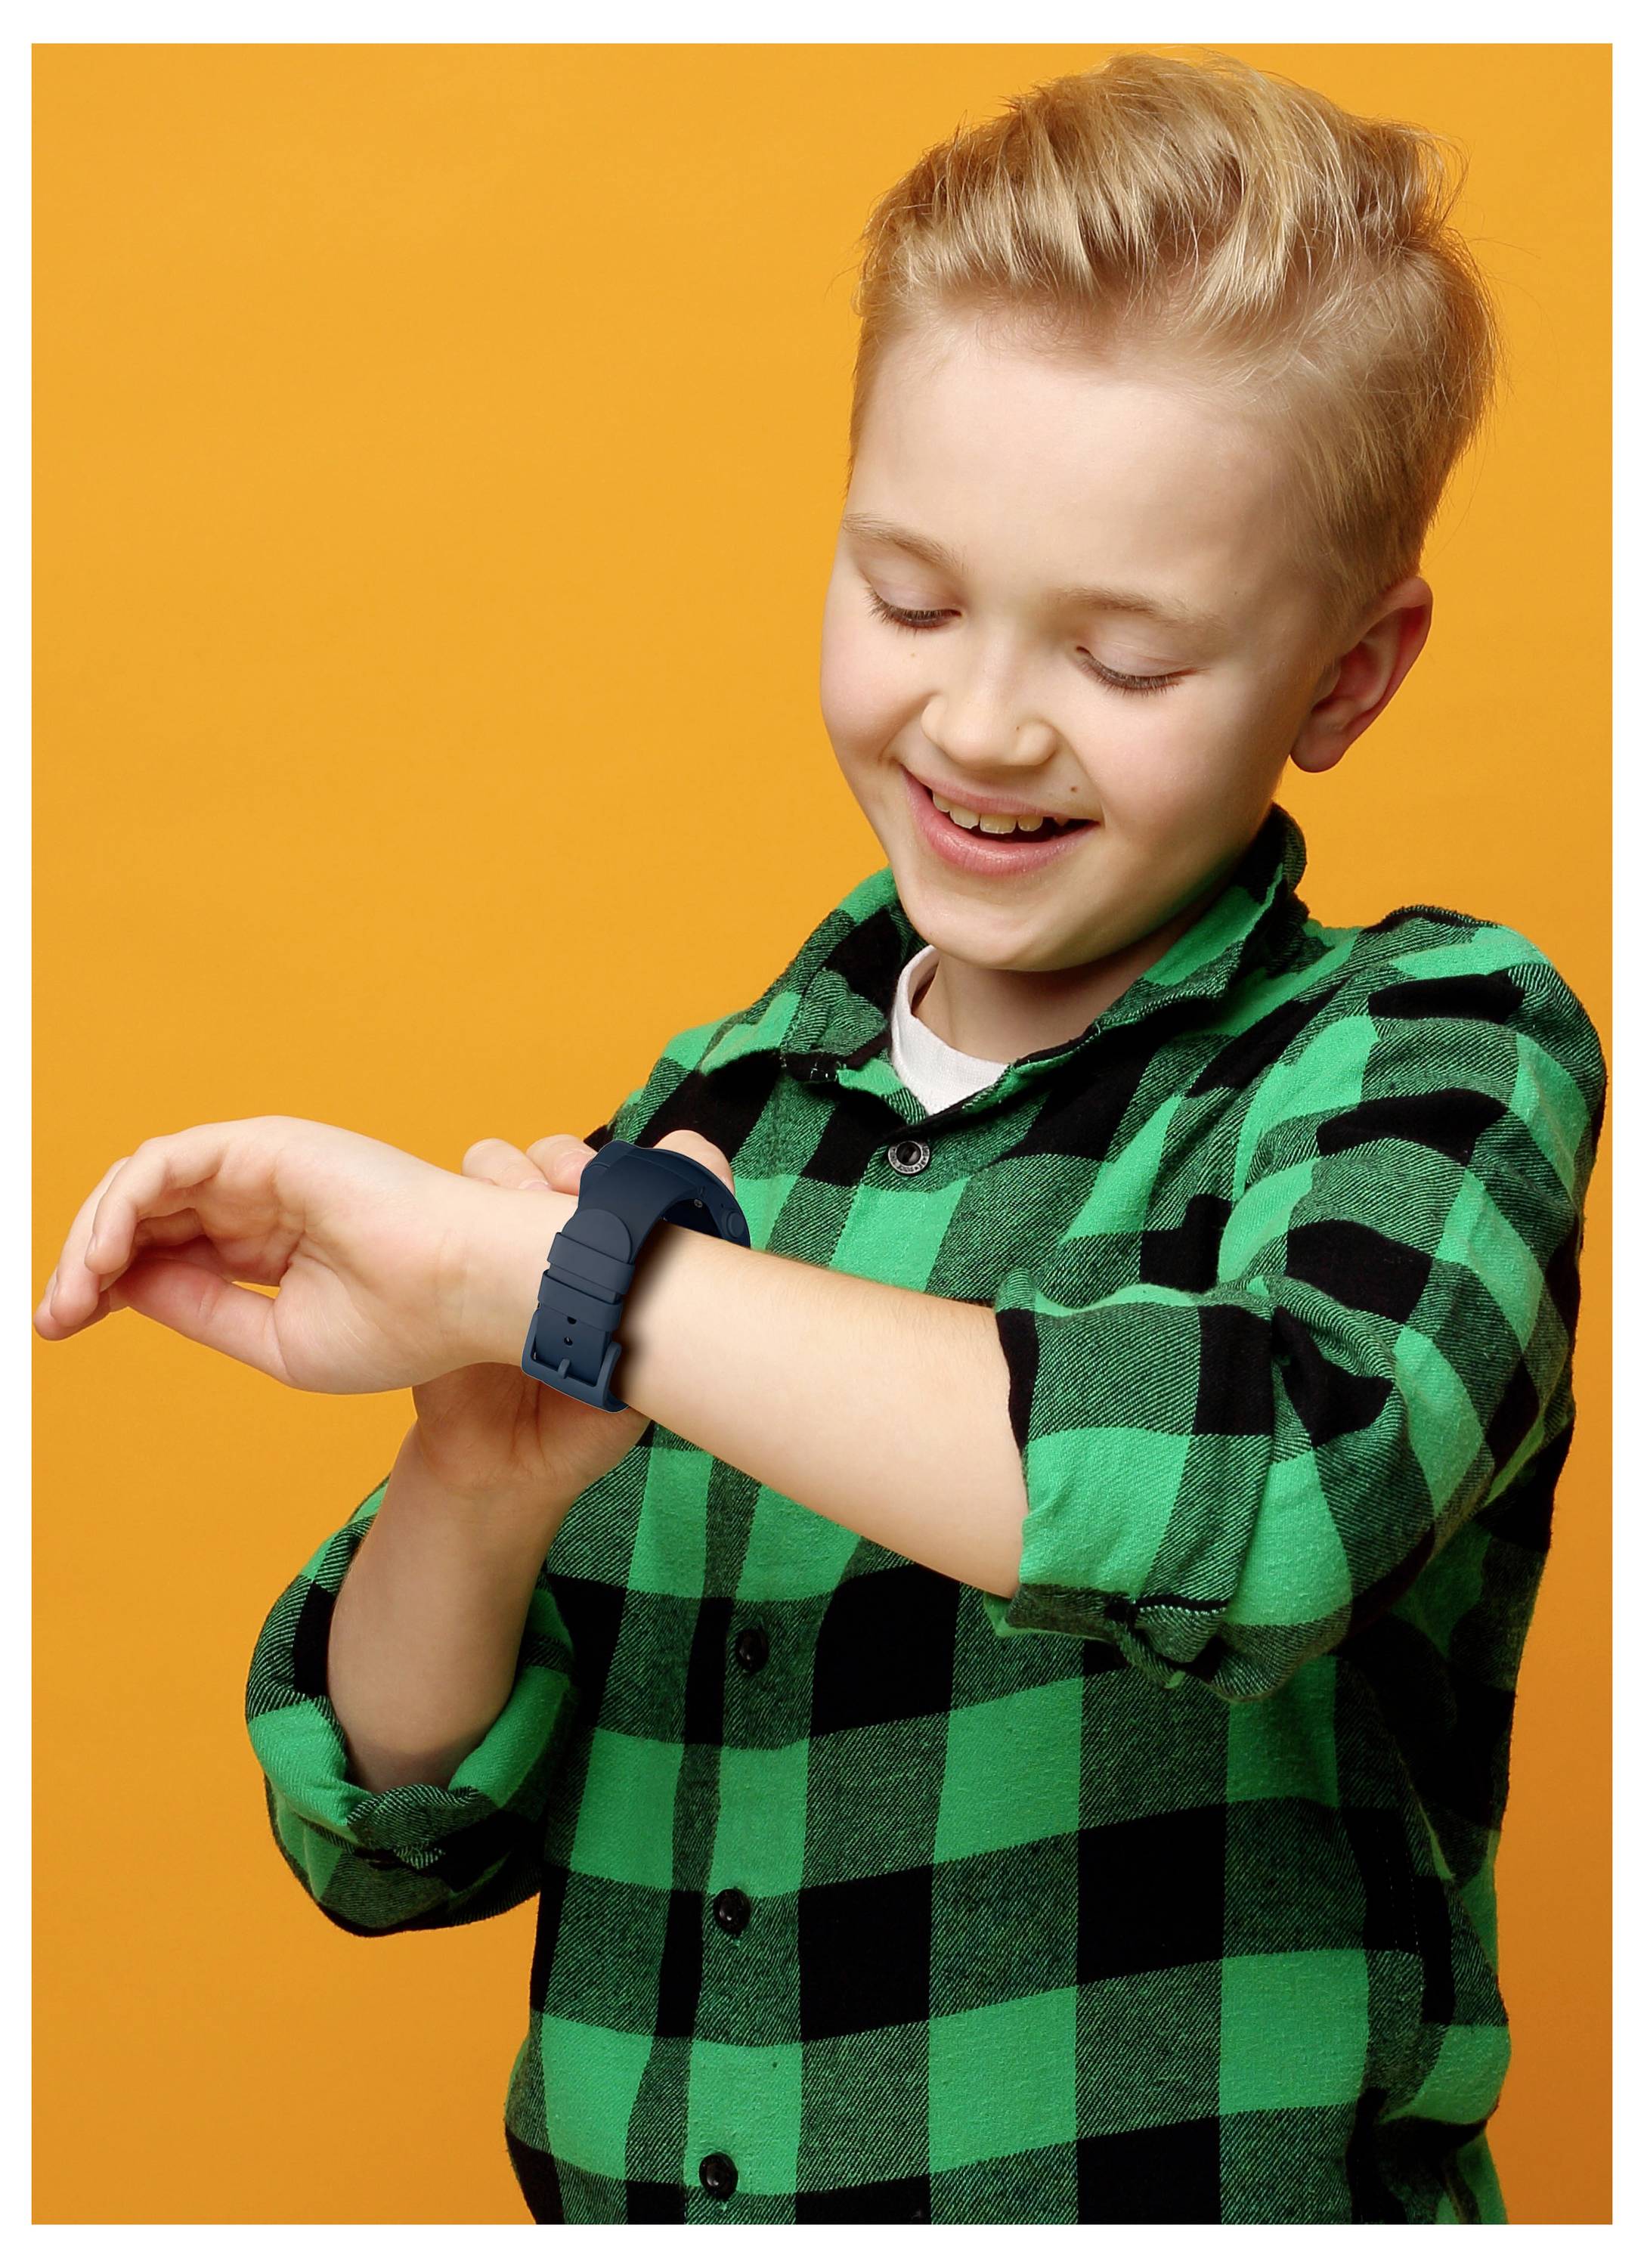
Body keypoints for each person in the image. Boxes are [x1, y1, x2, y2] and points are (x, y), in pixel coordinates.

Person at [34, 50, 1607, 2225]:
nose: (980, 721)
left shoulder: (1427, 1045)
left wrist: (583, 1286)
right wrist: (476, 1484)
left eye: (1128, 653)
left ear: (1345, 676)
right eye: (911, 596)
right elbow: (393, 1830)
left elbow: (1283, 1491)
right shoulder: (709, 1129)